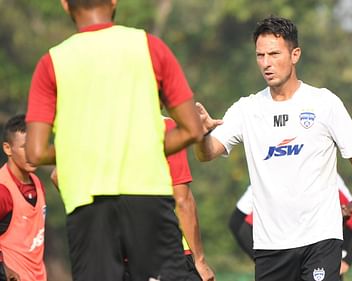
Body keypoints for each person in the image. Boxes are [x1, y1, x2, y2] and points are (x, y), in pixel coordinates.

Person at [24, 0, 203, 280]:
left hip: (88, 206)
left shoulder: (52, 62)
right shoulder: (149, 46)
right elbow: (193, 129)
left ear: (64, 5)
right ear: (114, 1)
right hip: (148, 198)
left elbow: (35, 152)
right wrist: (144, 149)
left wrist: (83, 151)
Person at [195, 16, 352, 281]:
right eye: (260, 55)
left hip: (320, 239)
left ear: (295, 54)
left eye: (274, 54)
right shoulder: (247, 109)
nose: (266, 63)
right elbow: (206, 153)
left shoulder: (324, 102)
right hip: (270, 247)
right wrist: (200, 134)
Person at [228, 174, 352, 280]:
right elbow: (237, 222)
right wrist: (270, 260)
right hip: (283, 261)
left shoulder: (327, 176)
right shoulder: (266, 175)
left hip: (320, 259)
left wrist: (346, 260)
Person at [164, 117, 216, 281]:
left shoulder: (103, 129)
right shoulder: (165, 127)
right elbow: (182, 200)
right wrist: (200, 261)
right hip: (170, 251)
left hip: (117, 253)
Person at [0, 114, 46, 281]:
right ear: (7, 148)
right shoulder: (3, 190)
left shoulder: (38, 184)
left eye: (34, 146)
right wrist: (4, 269)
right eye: (24, 147)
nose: (32, 153)